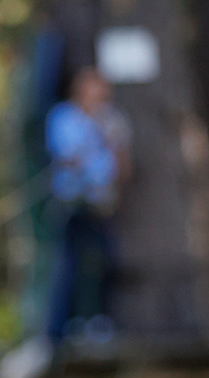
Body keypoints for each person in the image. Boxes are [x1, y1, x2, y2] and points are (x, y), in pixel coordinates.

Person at [43, 65, 128, 343]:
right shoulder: (63, 118)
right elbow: (65, 157)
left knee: (104, 261)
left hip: (101, 203)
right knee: (70, 265)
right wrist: (93, 135)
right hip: (72, 203)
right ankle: (62, 328)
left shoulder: (113, 120)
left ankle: (99, 323)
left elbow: (122, 166)